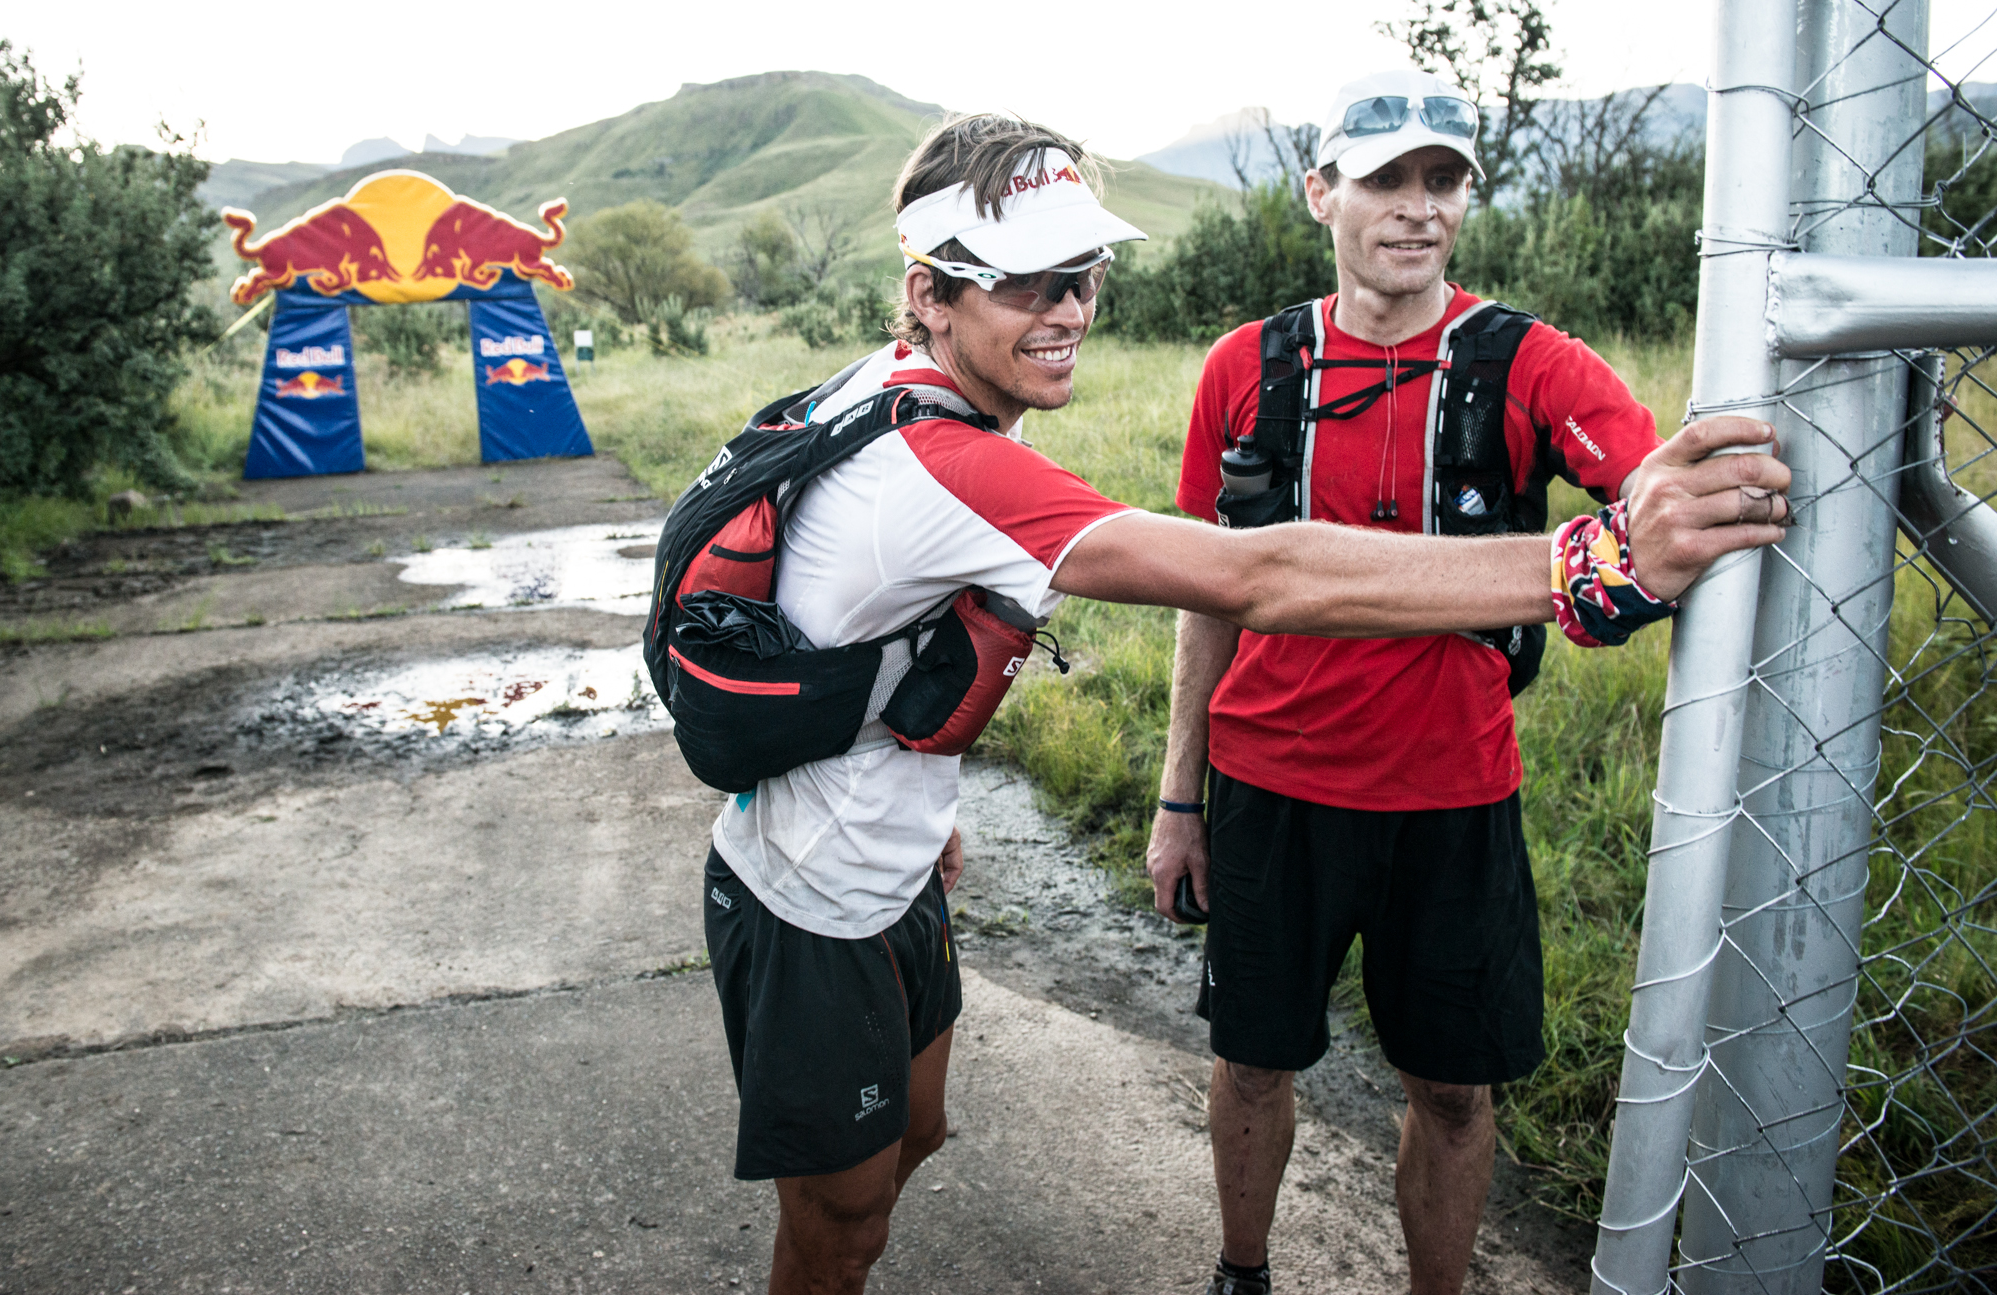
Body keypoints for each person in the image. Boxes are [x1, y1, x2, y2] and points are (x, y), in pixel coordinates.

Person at [698, 111, 1788, 1295]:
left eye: (1081, 275)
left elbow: (851, 615)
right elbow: (1258, 574)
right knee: (843, 1219)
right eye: (1023, 283)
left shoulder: (894, 394)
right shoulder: (955, 461)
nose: (1065, 310)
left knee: (916, 1138)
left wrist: (912, 793)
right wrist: (1589, 563)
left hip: (890, 857)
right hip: (815, 890)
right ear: (930, 293)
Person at [1144, 68, 1697, 1295]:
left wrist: (1670, 508)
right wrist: (1177, 799)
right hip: (1265, 783)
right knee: (1251, 1057)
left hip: (1450, 796)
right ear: (1319, 193)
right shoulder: (1247, 367)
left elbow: (1650, 494)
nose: (1415, 207)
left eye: (1441, 179)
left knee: (1452, 1085)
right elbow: (1205, 593)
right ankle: (1242, 1271)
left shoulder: (1528, 363)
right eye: (1384, 178)